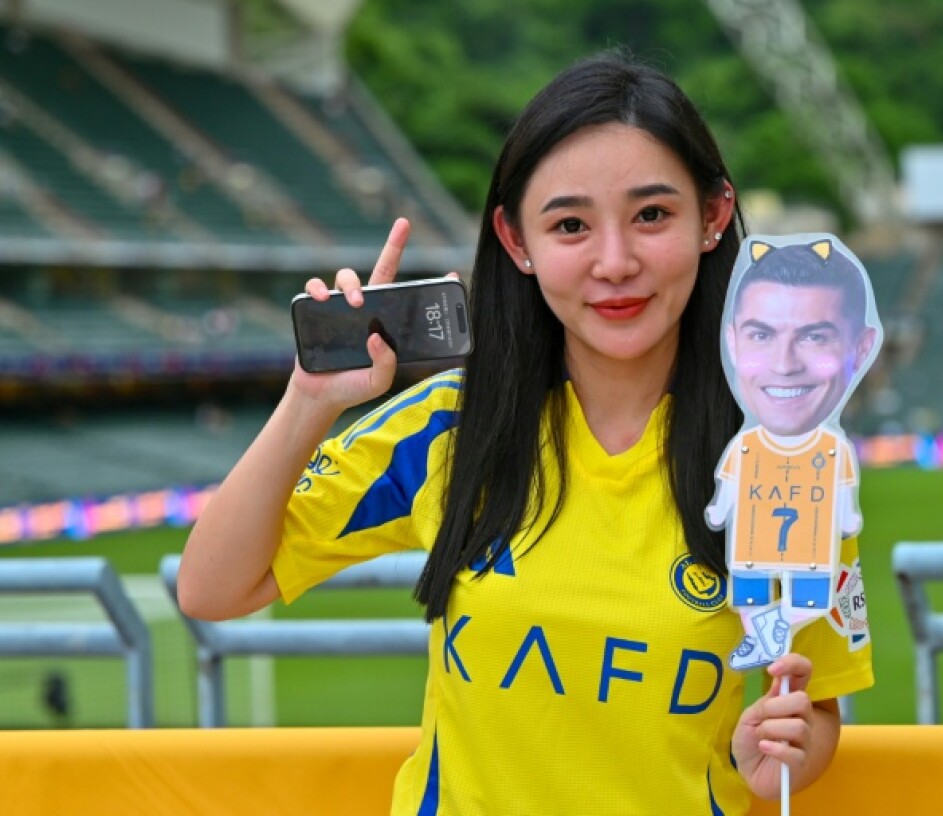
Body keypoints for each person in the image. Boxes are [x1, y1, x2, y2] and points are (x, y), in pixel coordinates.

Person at [178, 51, 865, 815]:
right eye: (570, 224)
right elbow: (212, 588)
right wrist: (311, 400)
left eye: (652, 215)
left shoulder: (784, 462)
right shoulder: (450, 426)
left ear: (711, 218)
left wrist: (781, 753)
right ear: (516, 241)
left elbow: (815, 711)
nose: (615, 262)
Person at [705, 237, 880, 670]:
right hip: (750, 549)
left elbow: (842, 501)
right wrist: (721, 509)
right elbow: (728, 488)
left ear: (861, 347)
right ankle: (765, 630)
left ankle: (775, 626)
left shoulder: (831, 449)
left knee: (807, 598)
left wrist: (847, 518)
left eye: (814, 336)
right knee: (750, 593)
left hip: (810, 555)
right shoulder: (745, 446)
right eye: (761, 334)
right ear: (732, 341)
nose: (784, 364)